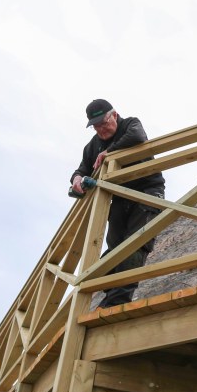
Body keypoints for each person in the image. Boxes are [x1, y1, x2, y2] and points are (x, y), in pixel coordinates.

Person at [72, 99, 166, 308]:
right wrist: (76, 179)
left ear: (114, 115)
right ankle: (110, 292)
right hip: (119, 198)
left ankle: (117, 301)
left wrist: (110, 152)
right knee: (115, 247)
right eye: (95, 126)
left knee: (136, 244)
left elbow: (137, 137)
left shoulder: (130, 124)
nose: (101, 129)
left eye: (104, 123)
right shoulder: (93, 145)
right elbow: (82, 169)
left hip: (147, 192)